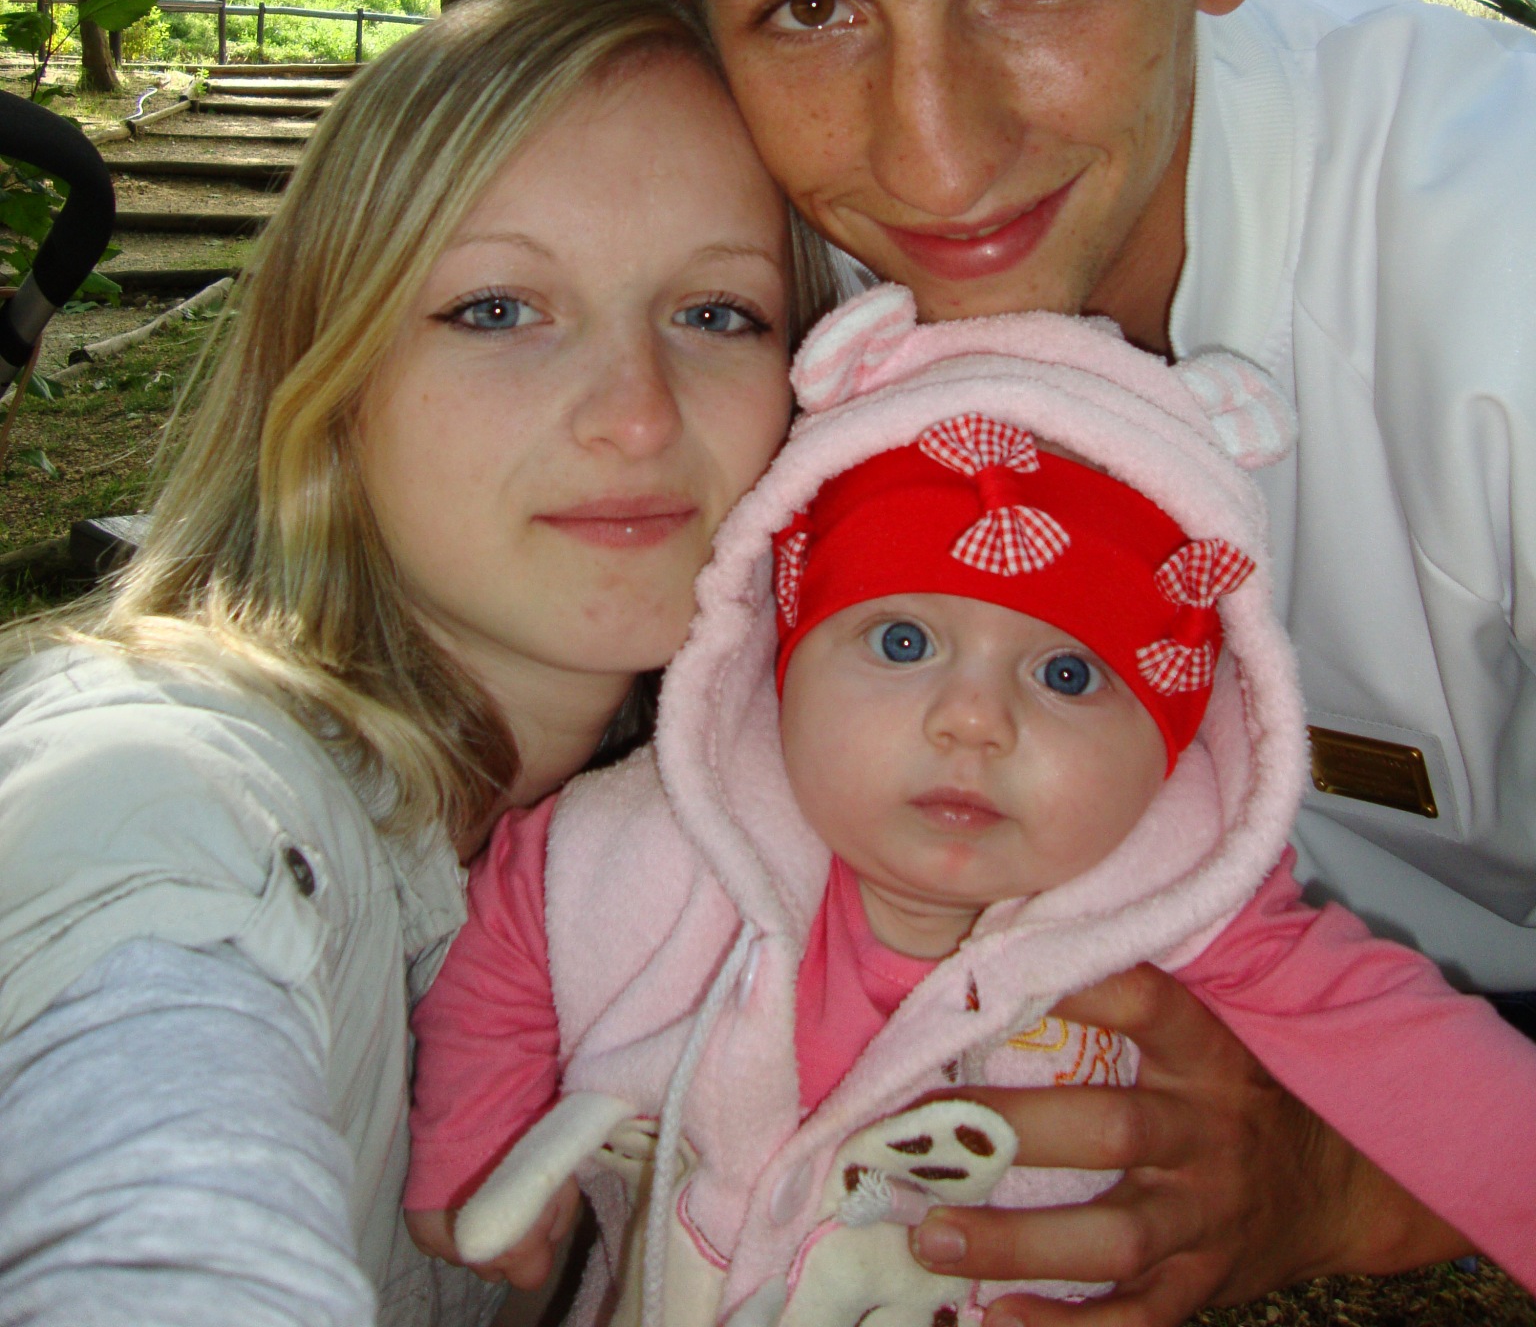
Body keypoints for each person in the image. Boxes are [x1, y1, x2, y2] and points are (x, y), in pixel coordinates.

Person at [620, 0, 1536, 1315]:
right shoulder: (724, 274)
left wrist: (1357, 1182)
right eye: (807, 9)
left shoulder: (1498, 228)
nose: (932, 158)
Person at [402, 286, 1536, 1327]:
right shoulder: (663, 837)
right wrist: (473, 1139)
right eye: (902, 642)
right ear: (781, 659)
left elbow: (1444, 1078)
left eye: (1068, 674)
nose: (974, 720)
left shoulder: (1190, 911)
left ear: (1171, 747)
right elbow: (516, 928)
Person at [0, 0, 838, 1326]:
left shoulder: (750, 827)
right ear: (331, 379)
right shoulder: (168, 780)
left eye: (720, 313)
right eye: (498, 308)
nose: (636, 416)